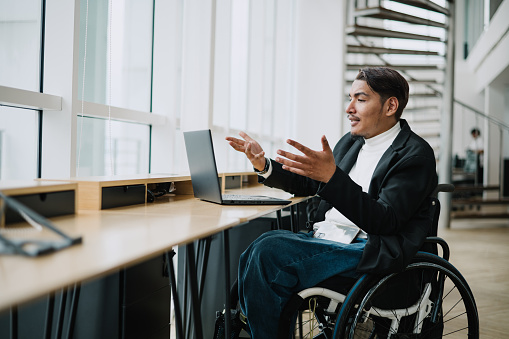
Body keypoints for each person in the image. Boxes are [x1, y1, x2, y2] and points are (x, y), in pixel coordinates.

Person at [226, 67, 438, 338]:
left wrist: (333, 177)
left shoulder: (415, 155)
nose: (349, 108)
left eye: (360, 99)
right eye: (350, 98)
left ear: (390, 106)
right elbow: (311, 182)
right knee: (256, 251)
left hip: (369, 250)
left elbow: (386, 220)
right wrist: (264, 165)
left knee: (268, 251)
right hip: (331, 239)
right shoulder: (351, 144)